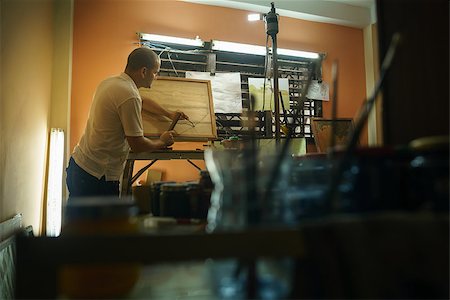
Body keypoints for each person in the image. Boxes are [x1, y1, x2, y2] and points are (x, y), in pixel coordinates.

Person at [66, 47, 188, 200]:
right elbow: (137, 144)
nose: (156, 77)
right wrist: (161, 142)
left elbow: (141, 102)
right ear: (144, 71)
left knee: (77, 223)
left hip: (80, 165)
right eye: (155, 72)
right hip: (97, 176)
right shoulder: (129, 95)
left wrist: (168, 114)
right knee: (101, 224)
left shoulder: (111, 82)